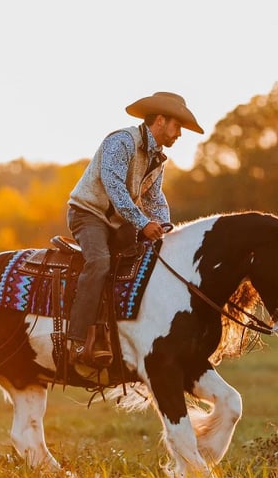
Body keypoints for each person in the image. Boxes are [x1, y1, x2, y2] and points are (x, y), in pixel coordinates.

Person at [65, 91, 204, 368]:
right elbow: (115, 188)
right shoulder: (121, 142)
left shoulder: (157, 158)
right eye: (177, 126)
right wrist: (143, 224)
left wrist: (164, 227)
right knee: (100, 262)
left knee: (145, 263)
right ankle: (77, 339)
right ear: (161, 121)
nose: (179, 134)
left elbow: (154, 199)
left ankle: (126, 335)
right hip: (88, 215)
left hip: (119, 222)